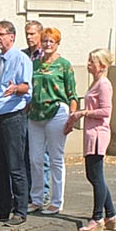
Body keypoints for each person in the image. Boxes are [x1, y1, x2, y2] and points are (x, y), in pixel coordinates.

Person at [0, 20, 32, 227]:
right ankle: (2, 209)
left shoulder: (21, 59)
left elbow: (27, 87)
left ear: (12, 36)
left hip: (12, 117)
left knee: (15, 166)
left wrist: (16, 88)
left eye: (1, 34)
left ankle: (20, 210)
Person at [65, 48, 116, 231]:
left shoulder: (104, 84)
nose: (88, 64)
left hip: (98, 134)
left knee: (95, 177)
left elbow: (106, 111)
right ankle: (111, 214)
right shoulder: (96, 83)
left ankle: (97, 218)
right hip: (91, 133)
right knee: (95, 176)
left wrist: (83, 112)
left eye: (91, 62)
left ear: (102, 66)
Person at [28, 28, 78, 215]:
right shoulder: (35, 64)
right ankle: (37, 199)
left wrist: (71, 118)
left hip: (56, 111)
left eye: (52, 41)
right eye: (45, 41)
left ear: (57, 43)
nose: (48, 44)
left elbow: (72, 94)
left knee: (56, 159)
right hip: (35, 113)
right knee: (35, 158)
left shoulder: (64, 65)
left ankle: (57, 201)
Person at [22, 20, 51, 208]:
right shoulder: (23, 55)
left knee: (43, 154)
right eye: (27, 33)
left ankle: (45, 192)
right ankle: (33, 192)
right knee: (28, 153)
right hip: (24, 110)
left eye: (32, 33)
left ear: (40, 35)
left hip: (41, 111)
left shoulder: (46, 57)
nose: (29, 37)